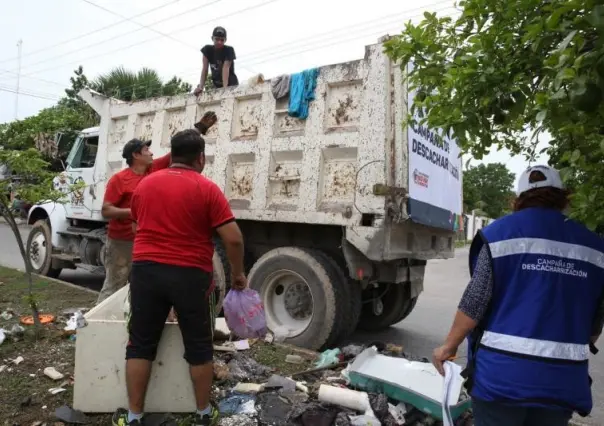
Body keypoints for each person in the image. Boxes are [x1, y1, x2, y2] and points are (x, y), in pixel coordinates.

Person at [432, 165, 604, 426]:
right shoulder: (594, 247)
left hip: (501, 381)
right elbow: (594, 323)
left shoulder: (500, 235)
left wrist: (448, 346)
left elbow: (475, 301)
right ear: (562, 197)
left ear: (519, 198)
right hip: (562, 384)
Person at [111, 129, 247, 426]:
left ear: (171, 155)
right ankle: (201, 414)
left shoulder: (145, 185)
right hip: (191, 275)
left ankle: (133, 417)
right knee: (199, 345)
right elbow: (233, 239)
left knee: (140, 344)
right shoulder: (207, 188)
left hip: (146, 272)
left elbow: (136, 227)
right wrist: (238, 273)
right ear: (201, 158)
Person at [97, 112, 218, 305]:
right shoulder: (119, 179)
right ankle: (98, 327)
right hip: (122, 242)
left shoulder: (154, 169)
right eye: (146, 150)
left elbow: (179, 151)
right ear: (136, 155)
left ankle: (129, 326)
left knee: (139, 287)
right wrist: (135, 212)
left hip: (145, 242)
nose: (152, 153)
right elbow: (106, 211)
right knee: (114, 285)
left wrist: (200, 129)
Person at [194, 26, 239, 95]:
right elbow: (205, 69)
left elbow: (225, 68)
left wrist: (225, 89)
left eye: (222, 40)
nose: (219, 42)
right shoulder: (207, 50)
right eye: (217, 39)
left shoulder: (229, 50)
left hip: (231, 85)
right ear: (212, 38)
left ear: (225, 40)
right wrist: (201, 87)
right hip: (217, 85)